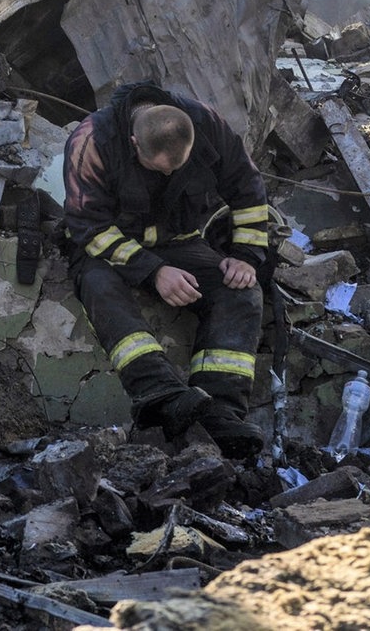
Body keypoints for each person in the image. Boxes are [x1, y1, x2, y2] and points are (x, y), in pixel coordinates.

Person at [63, 80, 269, 457]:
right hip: (110, 247)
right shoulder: (92, 141)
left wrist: (246, 255)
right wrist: (153, 271)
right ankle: (160, 394)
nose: (167, 177)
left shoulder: (207, 122)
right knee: (99, 286)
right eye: (156, 170)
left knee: (242, 291)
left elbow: (249, 188)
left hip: (182, 242)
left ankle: (219, 413)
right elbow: (87, 228)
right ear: (134, 143)